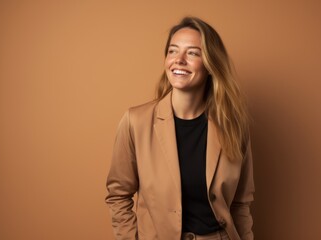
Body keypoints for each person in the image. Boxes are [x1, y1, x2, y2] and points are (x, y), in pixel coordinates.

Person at [106, 17, 254, 240]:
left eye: (193, 53)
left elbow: (241, 204)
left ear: (211, 64)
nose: (179, 60)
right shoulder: (136, 121)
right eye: (173, 51)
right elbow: (118, 195)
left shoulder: (233, 125)